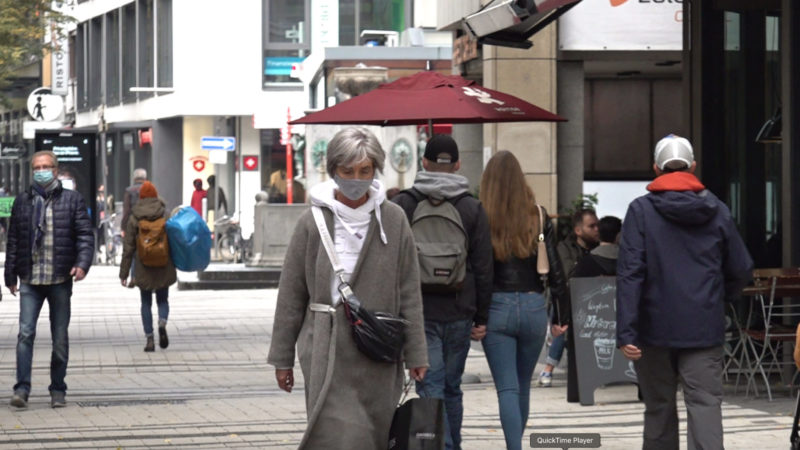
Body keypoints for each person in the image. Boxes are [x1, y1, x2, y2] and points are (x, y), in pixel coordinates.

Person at [267, 127, 428, 449]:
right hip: (327, 349)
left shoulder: (394, 220)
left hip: (378, 350)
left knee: (371, 434)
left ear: (375, 170)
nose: (357, 178)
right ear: (334, 171)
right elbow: (292, 293)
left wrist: (417, 352)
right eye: (348, 171)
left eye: (365, 170)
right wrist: (282, 357)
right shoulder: (312, 222)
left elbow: (409, 289)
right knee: (337, 435)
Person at [617, 134, 753, 450]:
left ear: (655, 168)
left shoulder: (640, 211)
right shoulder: (717, 209)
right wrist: (720, 296)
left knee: (659, 408)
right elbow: (742, 267)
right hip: (703, 326)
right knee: (705, 405)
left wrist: (627, 331)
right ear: (692, 166)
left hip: (653, 330)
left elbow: (630, 274)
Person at [392, 134, 493, 450]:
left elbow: (391, 263)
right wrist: (482, 315)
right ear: (459, 165)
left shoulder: (403, 205)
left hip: (418, 313)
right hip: (460, 309)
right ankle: (452, 446)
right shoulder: (471, 207)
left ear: (424, 163)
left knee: (430, 387)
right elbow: (483, 265)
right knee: (452, 387)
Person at [478, 150, 568, 450]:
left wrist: (476, 317)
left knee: (507, 388)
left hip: (496, 308)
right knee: (523, 386)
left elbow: (479, 271)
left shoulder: (481, 217)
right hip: (533, 307)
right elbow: (556, 270)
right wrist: (560, 317)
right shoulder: (538, 215)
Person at [6, 150, 94, 409]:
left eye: (45, 166)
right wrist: (10, 274)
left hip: (59, 278)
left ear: (55, 170)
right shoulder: (22, 201)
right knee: (25, 334)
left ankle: (58, 389)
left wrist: (81, 264)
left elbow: (85, 236)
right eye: (36, 167)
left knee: (60, 337)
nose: (40, 171)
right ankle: (22, 388)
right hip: (31, 279)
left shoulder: (72, 200)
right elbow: (14, 240)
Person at [538, 208, 599, 388]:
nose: (597, 229)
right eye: (592, 226)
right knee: (566, 321)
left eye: (598, 225)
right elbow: (567, 276)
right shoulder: (564, 248)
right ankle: (548, 368)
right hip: (570, 300)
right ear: (578, 230)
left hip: (595, 301)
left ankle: (550, 368)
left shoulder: (600, 248)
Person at [119, 181, 177, 352]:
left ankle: (150, 339)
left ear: (142, 197)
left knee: (145, 303)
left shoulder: (135, 217)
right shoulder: (165, 214)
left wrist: (124, 273)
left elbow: (128, 247)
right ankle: (162, 322)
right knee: (162, 299)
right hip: (163, 263)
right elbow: (174, 241)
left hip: (143, 264)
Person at [121, 168, 147, 238]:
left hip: (133, 225)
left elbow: (126, 211)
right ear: (145, 178)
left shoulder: (129, 191)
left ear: (134, 179)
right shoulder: (149, 190)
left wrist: (123, 227)